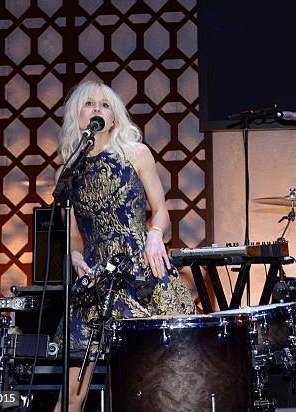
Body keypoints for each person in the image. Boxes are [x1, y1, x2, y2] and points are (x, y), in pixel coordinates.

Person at [52, 80, 194, 412]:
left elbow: (161, 211)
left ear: (114, 117)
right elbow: (73, 233)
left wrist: (155, 235)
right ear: (77, 114)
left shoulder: (136, 153)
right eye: (89, 104)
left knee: (166, 380)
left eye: (104, 105)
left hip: (142, 273)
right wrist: (75, 255)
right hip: (96, 281)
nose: (97, 110)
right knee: (70, 390)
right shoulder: (67, 171)